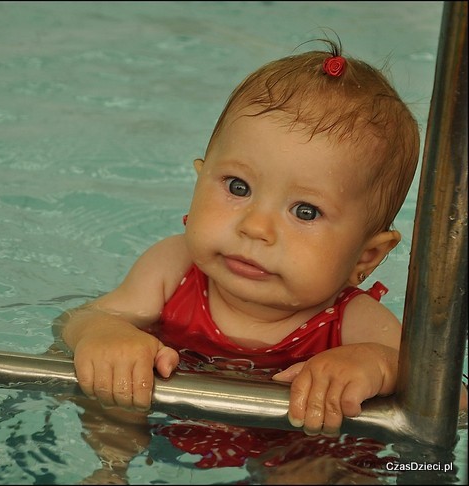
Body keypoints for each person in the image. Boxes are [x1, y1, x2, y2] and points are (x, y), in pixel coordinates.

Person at [54, 37, 461, 483]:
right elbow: (77, 320)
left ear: (365, 256)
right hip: (166, 430)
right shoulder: (172, 267)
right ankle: (111, 467)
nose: (255, 227)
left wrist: (374, 366)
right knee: (110, 389)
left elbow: (450, 404)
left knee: (322, 470)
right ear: (198, 179)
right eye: (237, 187)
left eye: (305, 211)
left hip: (298, 448)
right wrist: (105, 333)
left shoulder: (351, 322)